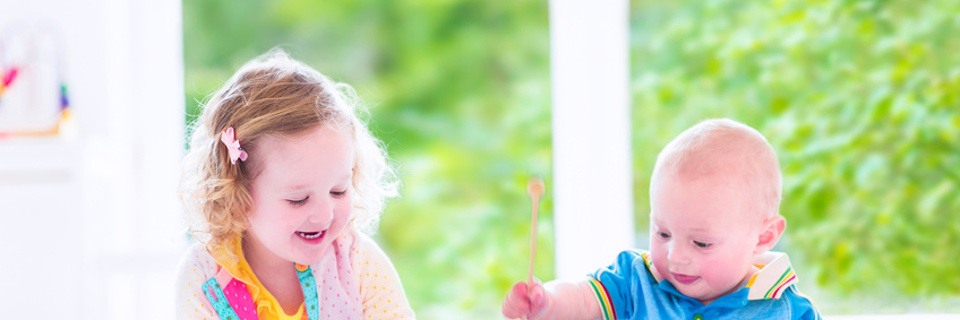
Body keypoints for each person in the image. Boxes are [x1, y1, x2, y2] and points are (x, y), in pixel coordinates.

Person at [176, 49, 414, 320]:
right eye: (298, 199)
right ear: (236, 196)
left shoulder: (359, 264)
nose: (325, 214)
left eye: (339, 190)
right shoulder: (203, 276)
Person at [502, 119, 821, 320]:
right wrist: (547, 303)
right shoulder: (635, 281)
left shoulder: (789, 311)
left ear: (763, 238)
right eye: (663, 233)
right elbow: (583, 300)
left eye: (701, 243)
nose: (675, 256)